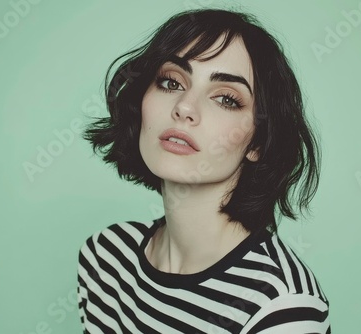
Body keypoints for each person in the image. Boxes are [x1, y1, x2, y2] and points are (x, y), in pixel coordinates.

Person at [77, 8, 331, 333]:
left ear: (258, 143)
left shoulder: (281, 304)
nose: (184, 107)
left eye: (225, 99)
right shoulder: (106, 255)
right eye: (171, 81)